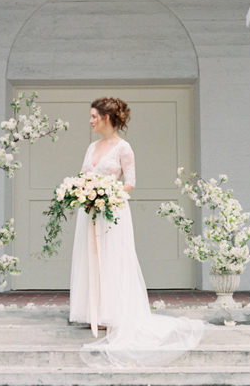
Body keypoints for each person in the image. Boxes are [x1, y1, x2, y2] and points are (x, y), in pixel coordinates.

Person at [69, 96, 208, 368]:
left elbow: (130, 181)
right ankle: (94, 313)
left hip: (113, 211)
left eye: (94, 117)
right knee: (91, 258)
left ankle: (116, 313)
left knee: (113, 258)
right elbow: (83, 174)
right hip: (90, 211)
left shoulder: (124, 147)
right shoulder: (92, 146)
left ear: (106, 118)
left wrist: (106, 193)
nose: (90, 121)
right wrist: (83, 191)